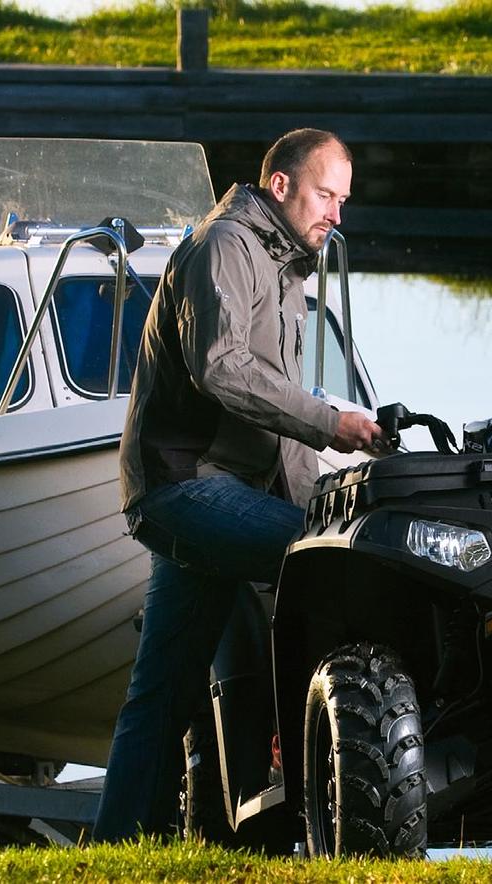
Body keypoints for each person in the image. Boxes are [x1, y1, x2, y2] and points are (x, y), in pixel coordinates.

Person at [93, 128, 384, 842]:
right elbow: (222, 370)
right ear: (280, 186)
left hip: (215, 495)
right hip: (184, 488)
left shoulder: (284, 262)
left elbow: (274, 420)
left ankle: (118, 843)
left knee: (162, 688)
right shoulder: (227, 245)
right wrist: (331, 423)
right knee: (327, 565)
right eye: (326, 195)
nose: (337, 216)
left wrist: (326, 497)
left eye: (343, 201)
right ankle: (324, 797)